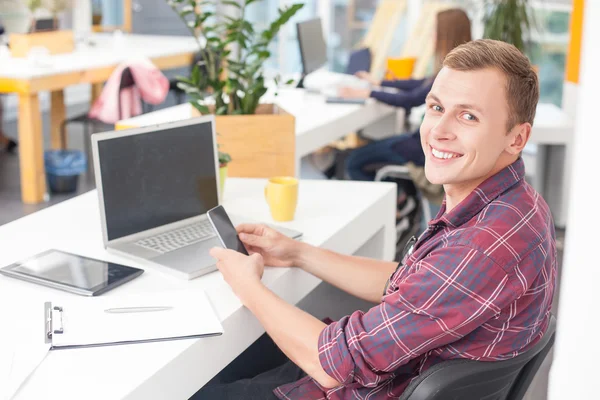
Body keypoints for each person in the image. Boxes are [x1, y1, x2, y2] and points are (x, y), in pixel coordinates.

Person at [196, 39, 557, 400]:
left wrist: (248, 285)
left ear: (517, 138)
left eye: (468, 116)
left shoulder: (481, 245)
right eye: (436, 107)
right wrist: (297, 253)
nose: (438, 130)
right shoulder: (514, 205)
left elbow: (332, 367)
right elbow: (412, 284)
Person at [339, 8, 472, 228]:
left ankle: (391, 215)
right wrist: (379, 82)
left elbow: (411, 99)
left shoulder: (452, 72)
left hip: (420, 148)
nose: (432, 36)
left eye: (435, 32)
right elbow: (419, 85)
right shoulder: (458, 67)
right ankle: (402, 201)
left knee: (354, 161)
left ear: (446, 34)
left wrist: (367, 92)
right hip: (423, 142)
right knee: (371, 150)